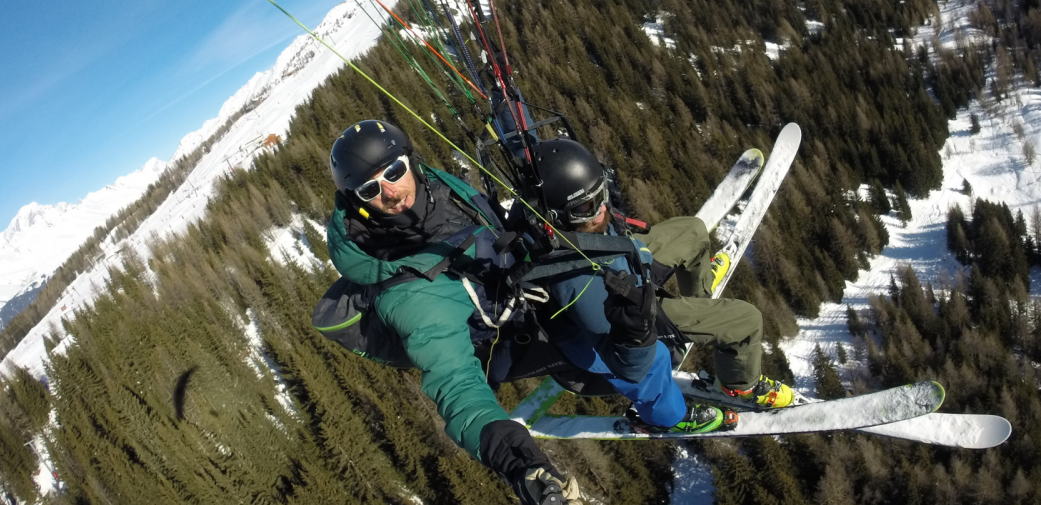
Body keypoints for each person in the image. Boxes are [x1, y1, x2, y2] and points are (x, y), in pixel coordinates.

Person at [323, 120, 729, 505]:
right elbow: (457, 389)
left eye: (394, 171)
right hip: (526, 335)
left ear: (410, 161)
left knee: (672, 238)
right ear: (357, 202)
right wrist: (523, 465)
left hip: (533, 276)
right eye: (370, 189)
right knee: (649, 354)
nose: (391, 192)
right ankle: (666, 415)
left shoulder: (435, 188)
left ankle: (666, 290)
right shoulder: (411, 297)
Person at [530, 138, 796, 408]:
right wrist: (641, 328)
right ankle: (741, 385)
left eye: (601, 195)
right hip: (632, 309)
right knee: (746, 321)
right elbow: (628, 363)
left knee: (693, 231)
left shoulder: (549, 210)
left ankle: (699, 301)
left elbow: (522, 143)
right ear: (557, 214)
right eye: (585, 207)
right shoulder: (577, 285)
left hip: (622, 259)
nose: (601, 209)